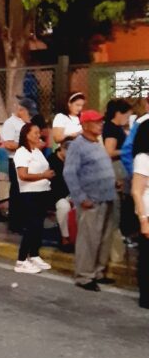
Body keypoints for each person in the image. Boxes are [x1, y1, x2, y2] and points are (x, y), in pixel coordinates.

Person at [63, 110, 118, 291]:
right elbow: (69, 173)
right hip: (91, 200)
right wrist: (80, 198)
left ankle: (98, 272)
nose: (100, 124)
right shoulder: (78, 145)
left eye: (101, 121)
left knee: (103, 238)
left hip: (107, 197)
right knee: (89, 239)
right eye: (96, 122)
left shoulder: (96, 142)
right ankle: (84, 276)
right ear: (85, 125)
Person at [12, 122, 55, 275]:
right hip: (30, 194)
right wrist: (43, 175)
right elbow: (22, 175)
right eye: (35, 133)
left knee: (38, 227)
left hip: (42, 192)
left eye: (39, 133)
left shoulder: (37, 151)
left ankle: (34, 255)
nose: (38, 135)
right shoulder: (22, 153)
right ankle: (21, 260)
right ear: (26, 135)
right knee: (31, 226)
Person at [1, 97, 34, 233]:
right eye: (28, 112)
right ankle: (15, 223)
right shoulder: (10, 124)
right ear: (21, 110)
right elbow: (8, 144)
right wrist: (27, 144)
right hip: (15, 161)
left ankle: (25, 220)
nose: (30, 115)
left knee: (26, 191)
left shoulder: (25, 122)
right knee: (17, 192)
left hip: (28, 161)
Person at [130, 120, 149, 309]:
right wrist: (143, 220)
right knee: (146, 257)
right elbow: (137, 190)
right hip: (147, 213)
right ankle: (146, 296)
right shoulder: (143, 158)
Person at [49, 137, 75, 251]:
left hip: (71, 193)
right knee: (64, 206)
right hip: (55, 195)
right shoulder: (52, 161)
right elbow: (53, 185)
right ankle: (65, 237)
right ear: (62, 149)